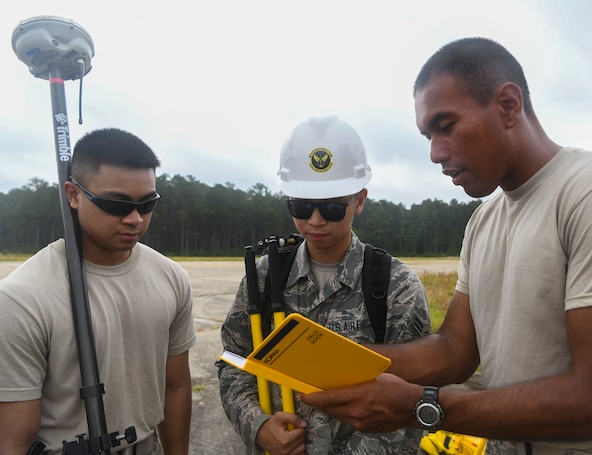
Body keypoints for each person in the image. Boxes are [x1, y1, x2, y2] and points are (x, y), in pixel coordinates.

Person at [300, 38, 592, 455]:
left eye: (446, 126)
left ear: (508, 105)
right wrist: (344, 362)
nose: (434, 153)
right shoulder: (485, 221)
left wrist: (421, 407)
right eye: (427, 135)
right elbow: (455, 350)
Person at [217, 115, 432, 455]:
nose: (315, 221)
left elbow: (411, 396)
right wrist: (258, 427)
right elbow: (233, 361)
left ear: (359, 200)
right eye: (301, 207)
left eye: (332, 208)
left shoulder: (395, 285)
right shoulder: (264, 278)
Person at [0, 128, 196, 455]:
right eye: (116, 204)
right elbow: (14, 439)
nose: (135, 219)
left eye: (147, 204)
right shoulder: (21, 299)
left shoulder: (171, 277)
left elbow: (175, 386)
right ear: (73, 195)